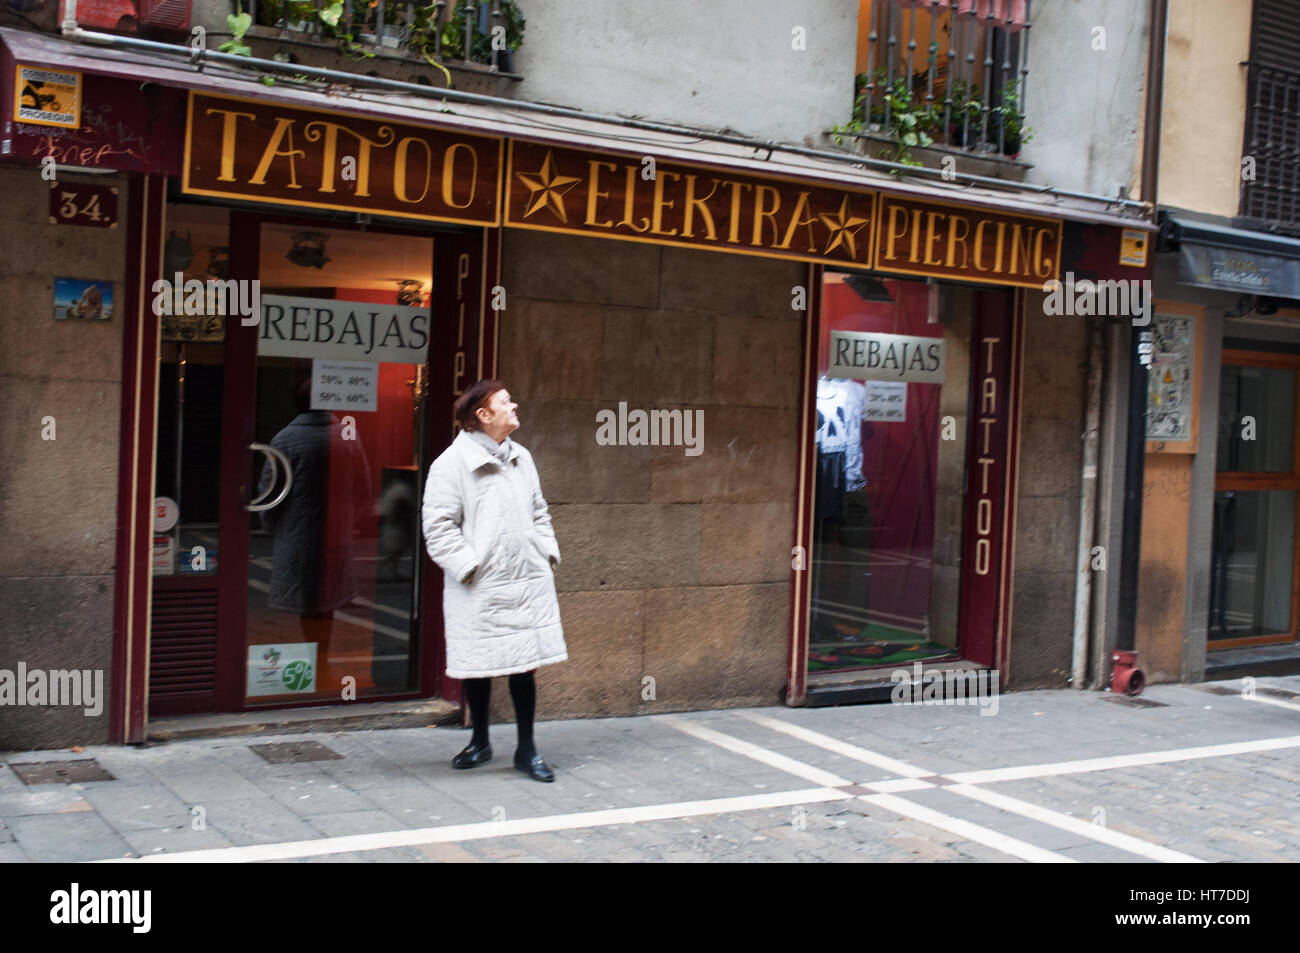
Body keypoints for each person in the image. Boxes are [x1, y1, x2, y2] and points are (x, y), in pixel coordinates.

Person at [421, 380, 566, 782]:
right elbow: (438, 527)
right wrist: (470, 568)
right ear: (483, 415)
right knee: (479, 665)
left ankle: (527, 749)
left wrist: (546, 550)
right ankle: (480, 741)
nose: (514, 405)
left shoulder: (522, 457)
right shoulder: (450, 465)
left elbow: (540, 510)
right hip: (480, 584)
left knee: (524, 667)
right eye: (505, 402)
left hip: (525, 580)